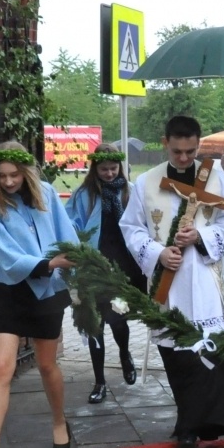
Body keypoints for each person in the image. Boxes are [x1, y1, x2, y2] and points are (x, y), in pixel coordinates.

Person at [121, 115, 224, 448]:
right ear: (165, 143)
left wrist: (201, 236)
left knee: (209, 352)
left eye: (190, 151)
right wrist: (158, 253)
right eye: (177, 151)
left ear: (198, 145)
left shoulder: (213, 177)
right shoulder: (147, 182)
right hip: (167, 282)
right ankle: (189, 425)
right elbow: (131, 228)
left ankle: (204, 425)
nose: (183, 158)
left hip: (204, 278)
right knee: (178, 356)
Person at [0, 142, 77, 448]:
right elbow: (4, 255)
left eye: (14, 175)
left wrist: (76, 259)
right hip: (11, 291)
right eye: (1, 176)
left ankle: (59, 421)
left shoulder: (46, 193)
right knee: (2, 367)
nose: (8, 182)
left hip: (48, 292)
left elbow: (66, 234)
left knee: (46, 364)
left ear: (26, 172)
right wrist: (48, 263)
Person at [66, 147, 141, 404]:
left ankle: (125, 354)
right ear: (94, 169)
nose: (109, 173)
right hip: (93, 267)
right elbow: (70, 224)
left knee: (118, 319)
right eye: (104, 169)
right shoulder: (84, 195)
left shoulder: (130, 191)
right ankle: (99, 381)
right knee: (94, 324)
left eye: (113, 168)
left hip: (122, 268)